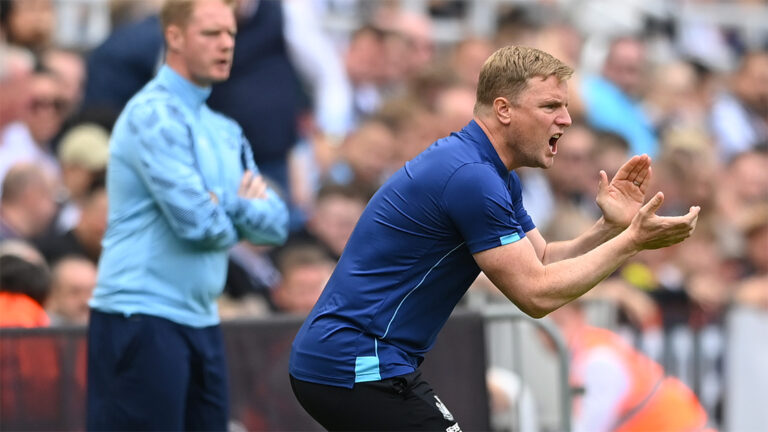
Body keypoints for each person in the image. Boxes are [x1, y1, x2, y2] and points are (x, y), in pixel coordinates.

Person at [289, 45, 700, 431]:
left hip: (353, 363)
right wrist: (631, 243)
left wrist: (611, 228)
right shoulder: (472, 177)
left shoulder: (490, 172)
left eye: (566, 107)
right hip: (356, 365)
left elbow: (542, 261)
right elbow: (536, 295)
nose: (566, 120)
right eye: (550, 106)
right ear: (503, 109)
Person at [86, 0, 289, 430]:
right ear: (174, 37)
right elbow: (199, 226)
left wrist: (218, 202)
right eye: (211, 34)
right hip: (140, 317)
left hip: (201, 318)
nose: (226, 44)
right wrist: (239, 204)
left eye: (230, 33)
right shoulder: (151, 113)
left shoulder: (223, 128)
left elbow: (276, 225)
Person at [549, 301, 713, 432]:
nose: (549, 332)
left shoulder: (597, 358)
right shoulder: (593, 347)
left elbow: (590, 425)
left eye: (559, 322)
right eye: (547, 323)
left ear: (580, 316)